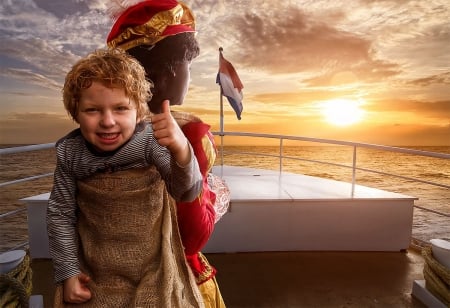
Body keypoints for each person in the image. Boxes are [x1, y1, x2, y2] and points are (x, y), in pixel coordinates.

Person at [46, 48, 205, 307]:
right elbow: (60, 214)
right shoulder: (70, 153)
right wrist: (68, 273)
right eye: (92, 110)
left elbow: (185, 191)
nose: (108, 121)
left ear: (139, 112)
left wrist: (181, 149)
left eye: (120, 108)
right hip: (96, 268)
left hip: (152, 266)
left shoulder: (150, 142)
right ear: (75, 113)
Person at [106, 1, 230, 307]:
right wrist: (215, 197)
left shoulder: (104, 132)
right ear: (170, 69)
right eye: (188, 64)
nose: (188, 74)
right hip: (174, 283)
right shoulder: (189, 134)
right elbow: (191, 238)